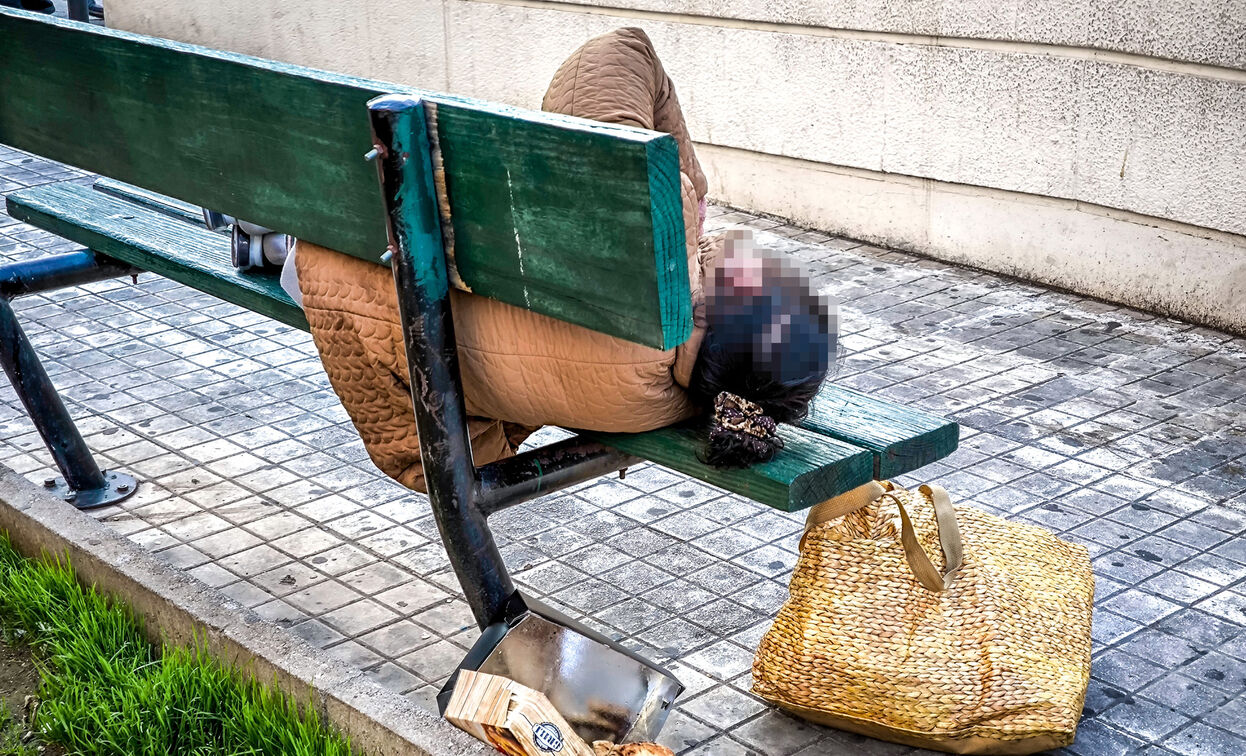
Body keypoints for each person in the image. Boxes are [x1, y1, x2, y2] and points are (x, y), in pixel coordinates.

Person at [291, 28, 837, 492]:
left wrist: (687, 187)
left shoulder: (650, 254)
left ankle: (266, 230)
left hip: (353, 233)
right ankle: (268, 238)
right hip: (357, 297)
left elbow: (621, 51)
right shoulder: (656, 404)